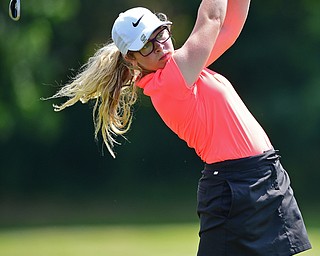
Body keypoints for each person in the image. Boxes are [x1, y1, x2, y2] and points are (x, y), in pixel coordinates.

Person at [48, 1, 312, 255]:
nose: (160, 47)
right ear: (132, 59)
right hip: (235, 188)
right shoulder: (171, 80)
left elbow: (229, 29)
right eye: (147, 46)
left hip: (265, 174)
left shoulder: (184, 68)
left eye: (160, 35)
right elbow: (212, 18)